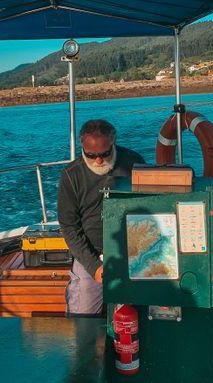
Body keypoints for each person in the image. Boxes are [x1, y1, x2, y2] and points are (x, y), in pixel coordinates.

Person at [57, 119, 145, 316]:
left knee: (139, 313)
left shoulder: (134, 163)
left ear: (113, 142)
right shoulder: (71, 175)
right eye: (91, 155)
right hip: (91, 253)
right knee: (83, 317)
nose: (98, 160)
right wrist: (94, 266)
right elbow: (69, 227)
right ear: (82, 147)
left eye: (104, 154)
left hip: (132, 252)